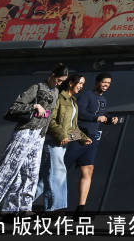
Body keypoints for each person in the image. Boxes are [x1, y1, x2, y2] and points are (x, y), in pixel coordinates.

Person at [0, 64, 68, 221]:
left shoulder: (56, 92)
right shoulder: (36, 88)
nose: (59, 83)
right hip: (25, 132)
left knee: (31, 173)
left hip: (39, 136)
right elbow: (14, 107)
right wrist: (34, 106)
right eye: (59, 79)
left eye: (62, 81)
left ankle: (20, 209)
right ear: (52, 75)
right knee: (8, 170)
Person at [36, 74, 91, 212]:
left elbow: (71, 127)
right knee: (58, 172)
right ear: (71, 83)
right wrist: (61, 135)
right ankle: (55, 208)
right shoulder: (58, 98)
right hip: (52, 141)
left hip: (63, 144)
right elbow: (50, 119)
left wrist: (83, 138)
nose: (81, 86)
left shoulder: (73, 102)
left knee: (44, 179)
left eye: (83, 84)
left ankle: (17, 207)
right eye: (80, 83)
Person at [67, 73, 119, 212]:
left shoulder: (103, 100)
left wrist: (110, 119)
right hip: (77, 135)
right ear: (97, 82)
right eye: (104, 82)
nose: (106, 85)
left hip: (91, 138)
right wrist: (96, 118)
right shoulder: (86, 95)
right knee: (60, 170)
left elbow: (101, 115)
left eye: (108, 83)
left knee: (88, 170)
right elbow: (80, 113)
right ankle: (33, 204)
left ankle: (81, 208)